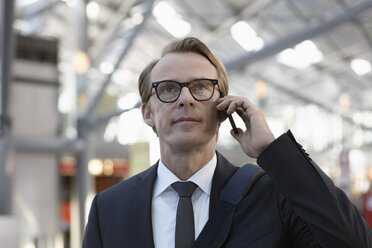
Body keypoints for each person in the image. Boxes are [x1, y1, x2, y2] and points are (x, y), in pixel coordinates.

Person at [83, 37, 372, 248]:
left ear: (223, 107)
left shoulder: (271, 196)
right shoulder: (109, 208)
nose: (186, 99)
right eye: (169, 88)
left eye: (201, 87)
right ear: (148, 113)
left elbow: (353, 242)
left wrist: (272, 150)